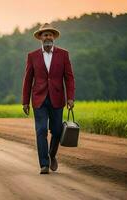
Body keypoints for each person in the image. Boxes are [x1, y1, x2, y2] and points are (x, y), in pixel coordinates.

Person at [22, 23, 75, 174]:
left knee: (57, 131)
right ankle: (44, 164)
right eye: (45, 35)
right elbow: (27, 79)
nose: (48, 37)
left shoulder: (63, 54)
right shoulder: (32, 56)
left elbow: (69, 78)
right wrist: (25, 101)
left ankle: (52, 155)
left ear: (54, 38)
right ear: (40, 38)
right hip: (39, 99)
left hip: (57, 98)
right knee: (41, 130)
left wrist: (70, 97)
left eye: (50, 34)